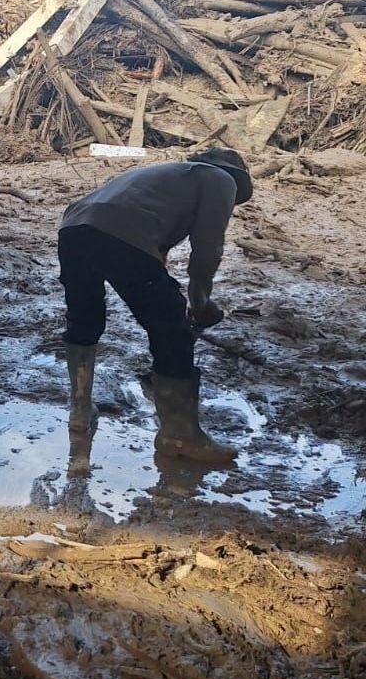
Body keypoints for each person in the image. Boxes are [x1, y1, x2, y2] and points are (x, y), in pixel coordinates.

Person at [57, 148, 254, 464]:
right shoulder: (221, 179)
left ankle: (79, 413)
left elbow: (140, 221)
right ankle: (179, 435)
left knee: (84, 319)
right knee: (172, 330)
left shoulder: (165, 174)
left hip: (74, 227)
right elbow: (208, 248)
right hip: (118, 233)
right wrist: (199, 301)